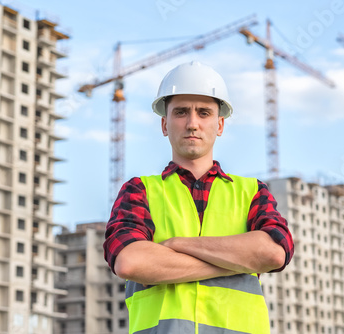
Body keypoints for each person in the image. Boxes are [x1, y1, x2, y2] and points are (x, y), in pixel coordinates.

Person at [103, 61, 294, 334]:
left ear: (219, 125)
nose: (192, 123)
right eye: (181, 112)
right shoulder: (139, 190)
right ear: (164, 124)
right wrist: (236, 262)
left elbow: (274, 252)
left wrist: (177, 244)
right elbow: (130, 261)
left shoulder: (252, 191)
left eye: (203, 113)